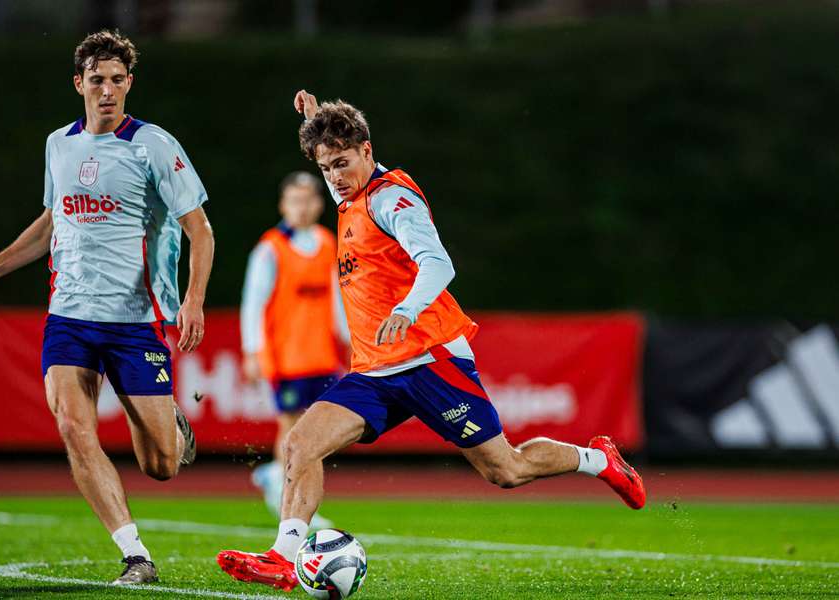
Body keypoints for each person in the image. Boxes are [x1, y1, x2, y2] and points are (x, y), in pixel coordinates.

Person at [216, 91, 645, 592]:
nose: (334, 176)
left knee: (505, 470)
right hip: (376, 372)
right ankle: (282, 559)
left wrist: (406, 308)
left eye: (342, 162)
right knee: (300, 444)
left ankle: (598, 460)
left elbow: (439, 262)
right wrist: (315, 122)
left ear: (368, 150)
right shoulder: (349, 194)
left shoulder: (391, 198)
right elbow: (333, 167)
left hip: (429, 359)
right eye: (326, 166)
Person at [0, 30, 214, 585]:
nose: (108, 90)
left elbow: (200, 231)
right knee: (72, 425)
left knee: (160, 465)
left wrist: (192, 300)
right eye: (97, 80)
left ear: (129, 84)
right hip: (69, 316)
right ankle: (136, 555)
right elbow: (52, 221)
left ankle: (171, 428)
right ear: (79, 84)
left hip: (135, 321)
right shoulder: (58, 145)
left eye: (117, 80)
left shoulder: (155, 146)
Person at [241, 171, 348, 528]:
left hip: (320, 354)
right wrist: (253, 351)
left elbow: (336, 299)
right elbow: (253, 303)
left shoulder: (327, 242)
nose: (301, 207)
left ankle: (280, 481)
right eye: (294, 200)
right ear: (283, 205)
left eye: (307, 200)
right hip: (285, 356)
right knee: (291, 429)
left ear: (319, 203)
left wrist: (348, 339)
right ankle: (285, 498)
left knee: (318, 429)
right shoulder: (270, 248)